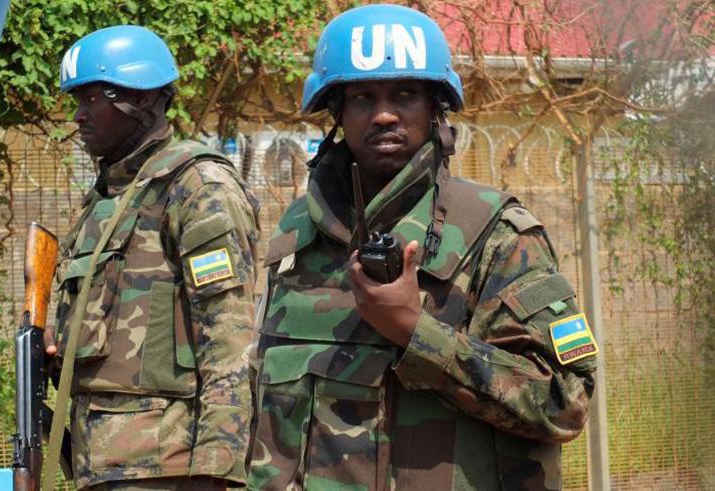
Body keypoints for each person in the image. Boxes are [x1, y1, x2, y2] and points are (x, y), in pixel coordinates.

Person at [247, 5, 597, 490]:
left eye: (405, 95)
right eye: (362, 97)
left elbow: (566, 402)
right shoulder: (298, 233)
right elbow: (262, 395)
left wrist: (416, 333)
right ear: (337, 114)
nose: (384, 114)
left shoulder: (498, 236)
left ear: (436, 108)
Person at [48, 25, 259, 490]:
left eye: (91, 100)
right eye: (75, 102)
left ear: (140, 99)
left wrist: (215, 468)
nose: (79, 116)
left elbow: (229, 338)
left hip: (168, 465)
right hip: (102, 462)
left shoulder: (197, 187)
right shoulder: (110, 196)